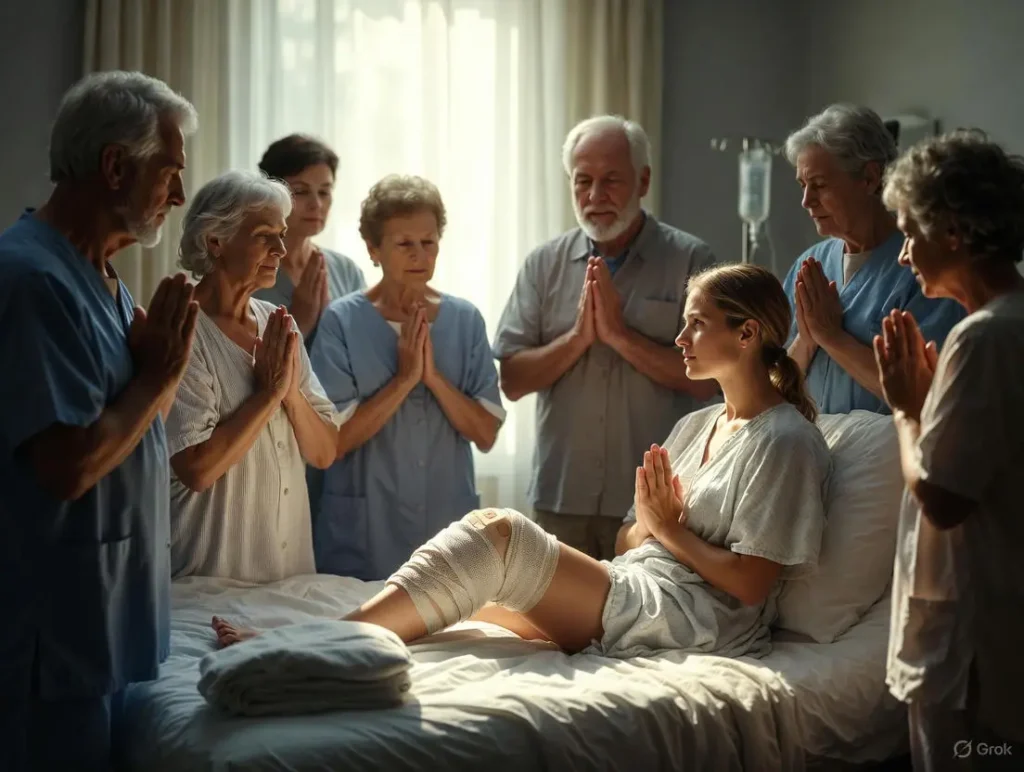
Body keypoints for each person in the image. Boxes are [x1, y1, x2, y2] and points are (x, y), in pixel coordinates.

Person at [214, 264, 832, 672]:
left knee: (500, 535)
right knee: (453, 586)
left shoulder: (785, 441)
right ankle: (329, 630)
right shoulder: (697, 425)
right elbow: (627, 539)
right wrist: (652, 525)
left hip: (694, 620)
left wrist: (668, 528)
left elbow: (752, 586)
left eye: (696, 324)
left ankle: (311, 645)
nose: (681, 338)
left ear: (747, 333)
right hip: (637, 579)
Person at [0, 71, 198, 772]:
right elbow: (68, 466)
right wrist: (158, 375)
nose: (178, 195)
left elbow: (138, 429)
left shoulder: (106, 281)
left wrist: (161, 372)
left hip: (105, 625)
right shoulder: (34, 280)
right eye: (168, 173)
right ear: (116, 166)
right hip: (52, 641)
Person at [493, 114, 719, 561]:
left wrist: (620, 336)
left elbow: (709, 381)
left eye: (612, 180)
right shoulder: (543, 265)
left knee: (646, 608)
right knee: (551, 610)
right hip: (561, 497)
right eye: (583, 181)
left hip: (658, 502)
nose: (595, 196)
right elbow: (512, 381)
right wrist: (578, 339)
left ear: (643, 181)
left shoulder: (691, 260)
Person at [874, 130, 1024, 770]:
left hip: (971, 652)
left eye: (911, 233)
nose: (905, 253)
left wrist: (907, 409)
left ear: (955, 231)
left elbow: (942, 497)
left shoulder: (984, 337)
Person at [310, 174, 504, 581]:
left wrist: (431, 377)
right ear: (373, 249)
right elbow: (334, 442)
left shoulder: (465, 320)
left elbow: (486, 433)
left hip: (446, 532)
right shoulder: (341, 322)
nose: (420, 255)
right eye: (404, 244)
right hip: (363, 537)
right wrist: (402, 381)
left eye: (429, 242)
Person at [168, 170, 340, 583]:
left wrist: (291, 396)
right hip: (208, 584)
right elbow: (197, 469)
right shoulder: (180, 329)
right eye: (265, 236)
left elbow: (324, 452)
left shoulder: (279, 324)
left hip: (289, 579)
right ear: (216, 241)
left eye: (282, 235)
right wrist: (268, 395)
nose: (281, 249)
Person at [782, 103, 964, 414]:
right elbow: (771, 386)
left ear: (869, 177)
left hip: (888, 444)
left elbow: (929, 396)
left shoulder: (922, 268)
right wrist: (806, 341)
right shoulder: (809, 265)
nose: (806, 201)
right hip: (811, 441)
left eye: (819, 185)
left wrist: (833, 337)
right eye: (803, 185)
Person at [255, 134, 366, 349]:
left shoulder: (346, 271)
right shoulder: (250, 272)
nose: (316, 204)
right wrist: (300, 321)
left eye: (324, 192)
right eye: (301, 191)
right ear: (270, 193)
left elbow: (363, 351)